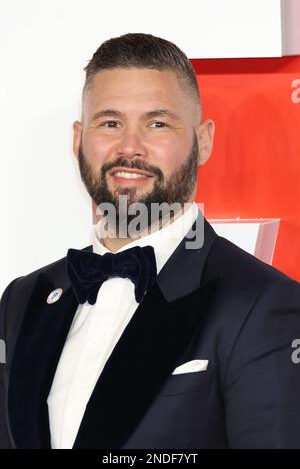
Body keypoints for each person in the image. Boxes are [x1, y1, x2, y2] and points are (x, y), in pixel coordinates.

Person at [1, 32, 300, 450]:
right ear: (77, 139)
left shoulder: (263, 303)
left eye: (157, 123)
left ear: (204, 141)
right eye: (110, 122)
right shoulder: (24, 299)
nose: (130, 147)